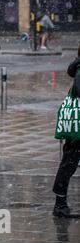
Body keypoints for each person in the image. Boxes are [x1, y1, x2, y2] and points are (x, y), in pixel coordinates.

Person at [52, 45, 80, 219]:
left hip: (77, 127)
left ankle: (60, 203)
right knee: (68, 164)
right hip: (78, 127)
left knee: (68, 163)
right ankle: (60, 205)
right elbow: (78, 90)